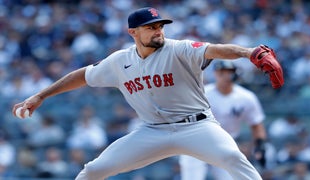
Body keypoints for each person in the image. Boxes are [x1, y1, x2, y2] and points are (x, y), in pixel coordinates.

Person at [12, 7, 272, 180]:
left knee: (233, 159)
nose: (158, 30)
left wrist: (249, 52)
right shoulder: (119, 61)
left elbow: (215, 50)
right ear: (132, 32)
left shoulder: (178, 49)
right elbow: (82, 76)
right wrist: (41, 95)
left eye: (160, 26)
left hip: (198, 127)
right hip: (152, 131)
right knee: (93, 170)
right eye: (150, 27)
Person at [179, 60, 268, 180]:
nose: (225, 76)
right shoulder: (202, 94)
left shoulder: (246, 97)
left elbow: (256, 124)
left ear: (236, 74)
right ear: (215, 74)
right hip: (197, 143)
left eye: (229, 72)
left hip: (225, 145)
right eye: (221, 72)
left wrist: (260, 146)